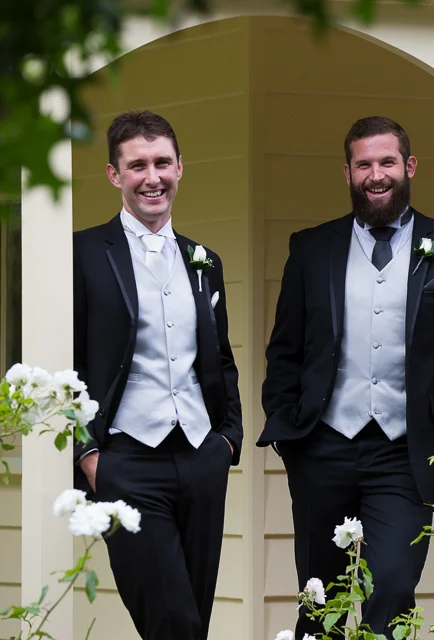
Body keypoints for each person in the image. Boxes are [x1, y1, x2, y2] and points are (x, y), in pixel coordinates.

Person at [259, 116, 434, 637]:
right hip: (323, 445)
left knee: (394, 588)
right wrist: (291, 434)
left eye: (387, 162)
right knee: (321, 598)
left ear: (409, 166)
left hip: (406, 452)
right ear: (348, 172)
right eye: (364, 165)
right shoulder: (311, 249)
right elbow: (284, 349)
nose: (376, 175)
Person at [74, 110, 243, 639]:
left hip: (200, 456)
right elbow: (67, 361)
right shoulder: (81, 254)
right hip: (124, 460)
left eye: (163, 163)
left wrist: (227, 441)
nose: (153, 177)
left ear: (180, 168)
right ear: (114, 174)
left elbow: (220, 359)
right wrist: (88, 456)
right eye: (138, 165)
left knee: (194, 613)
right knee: (171, 619)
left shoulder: (204, 261)